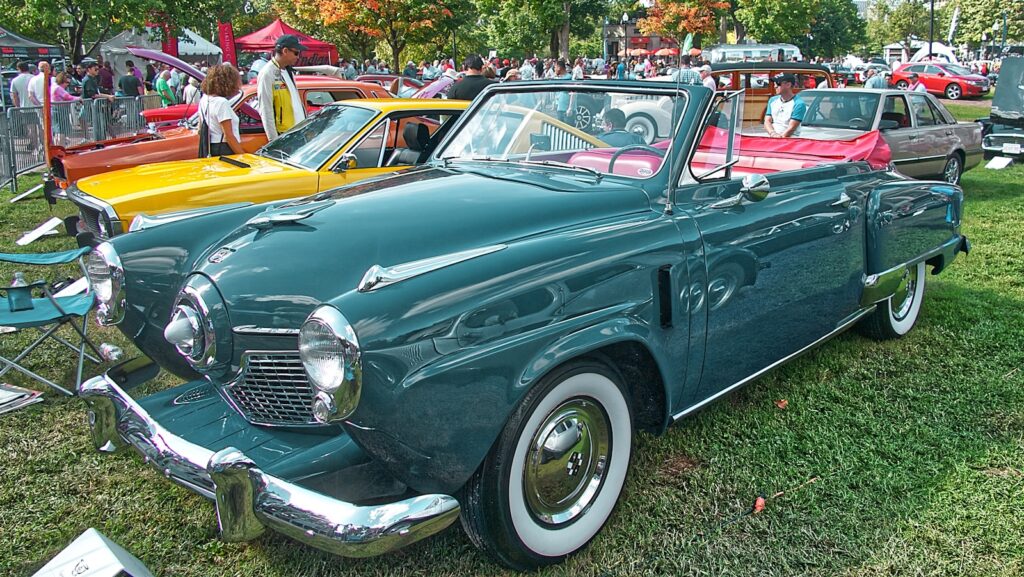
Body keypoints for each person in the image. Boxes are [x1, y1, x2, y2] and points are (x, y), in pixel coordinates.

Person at [257, 34, 307, 140]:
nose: (298, 57)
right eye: (296, 53)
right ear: (285, 51)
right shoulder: (267, 73)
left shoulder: (288, 71)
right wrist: (273, 141)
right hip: (284, 137)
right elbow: (266, 111)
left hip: (298, 133)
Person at [198, 63, 245, 156]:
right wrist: (243, 156)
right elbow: (228, 136)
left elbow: (199, 129)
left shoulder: (204, 99)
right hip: (225, 148)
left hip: (211, 147)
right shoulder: (221, 103)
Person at [764, 73, 806, 138]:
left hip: (790, 139)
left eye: (778, 84)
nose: (775, 86)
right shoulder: (772, 100)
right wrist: (773, 134)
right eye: (774, 83)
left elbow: (791, 128)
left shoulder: (799, 103)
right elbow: (767, 121)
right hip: (773, 137)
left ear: (788, 85)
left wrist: (780, 138)